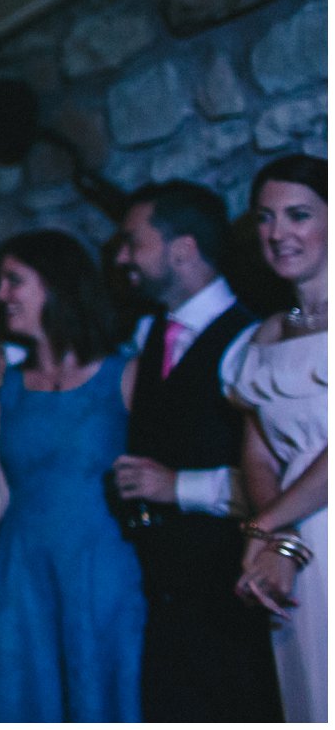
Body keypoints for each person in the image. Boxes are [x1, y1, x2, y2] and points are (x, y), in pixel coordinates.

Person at [108, 179, 281, 720]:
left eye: (133, 242)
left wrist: (176, 486)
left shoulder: (253, 339)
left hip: (230, 600)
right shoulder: (146, 337)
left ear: (181, 250)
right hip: (165, 602)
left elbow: (285, 482)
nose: (121, 257)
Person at [0, 230, 143, 722]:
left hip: (101, 573)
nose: (1, 296)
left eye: (13, 280)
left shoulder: (124, 376)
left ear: (57, 285)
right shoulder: (8, 389)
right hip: (23, 584)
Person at [231, 154, 327, 722]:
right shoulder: (265, 334)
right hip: (291, 545)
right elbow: (259, 450)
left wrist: (264, 529)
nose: (278, 233)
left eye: (298, 215)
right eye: (265, 218)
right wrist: (279, 543)